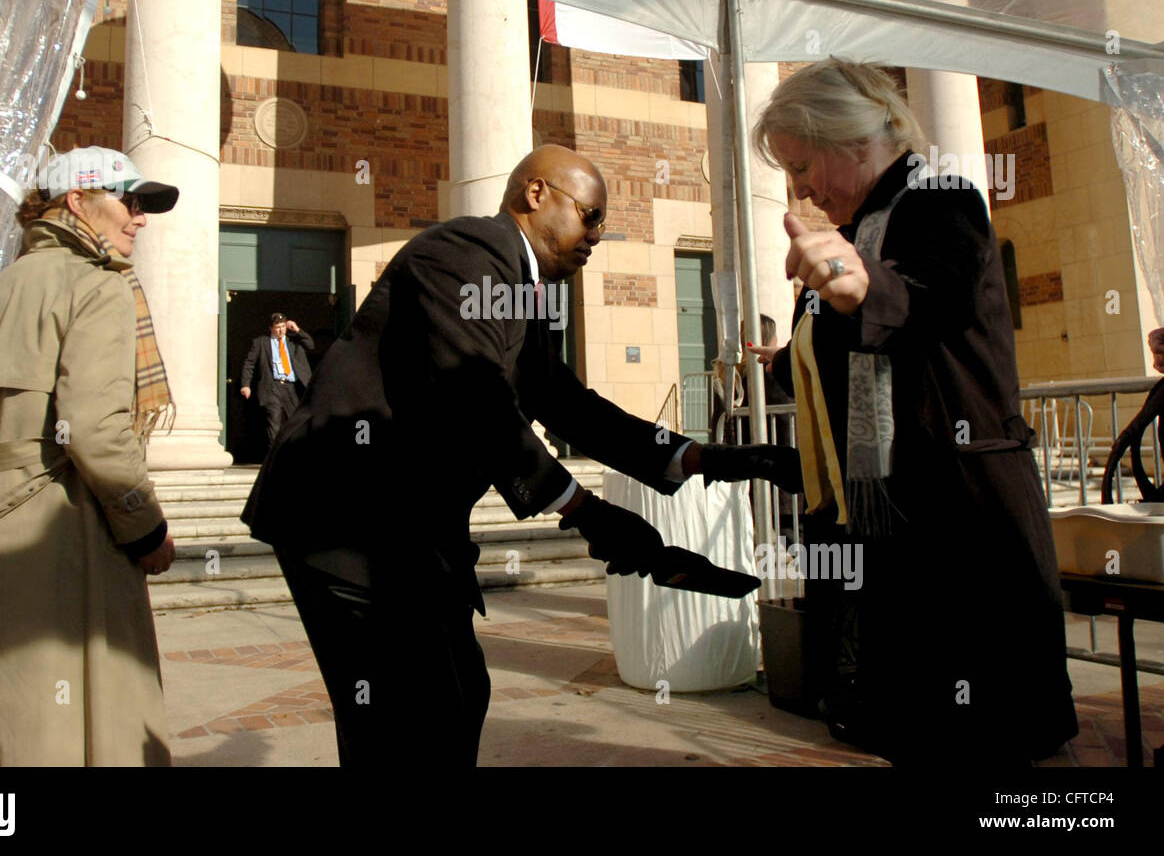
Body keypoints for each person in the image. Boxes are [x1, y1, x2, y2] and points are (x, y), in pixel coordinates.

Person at [241, 144, 796, 766]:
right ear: (536, 194)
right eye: (591, 216)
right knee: (413, 714)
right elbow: (474, 396)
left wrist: (709, 459)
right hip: (345, 517)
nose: (597, 236)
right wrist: (586, 511)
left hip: (410, 528)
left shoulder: (520, 288)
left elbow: (562, 401)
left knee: (453, 698)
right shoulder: (466, 254)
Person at [746, 58, 1077, 766]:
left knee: (994, 735)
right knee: (914, 726)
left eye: (803, 165)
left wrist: (863, 288)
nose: (798, 188)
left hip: (963, 515)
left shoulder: (941, 201)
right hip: (889, 517)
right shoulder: (853, 227)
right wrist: (786, 361)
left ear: (852, 141)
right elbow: (842, 348)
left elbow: (929, 301)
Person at [0, 146, 180, 766]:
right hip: (61, 535)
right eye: (130, 199)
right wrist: (146, 528)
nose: (140, 217)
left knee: (2, 722)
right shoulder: (96, 284)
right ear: (79, 201)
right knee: (86, 725)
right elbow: (96, 430)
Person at [240, 313, 315, 448]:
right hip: (272, 387)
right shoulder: (260, 343)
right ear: (271, 328)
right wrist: (246, 385)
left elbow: (310, 345)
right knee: (274, 424)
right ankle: (274, 458)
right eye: (277, 327)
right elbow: (249, 364)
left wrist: (297, 329)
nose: (281, 330)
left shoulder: (293, 341)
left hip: (291, 388)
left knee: (295, 423)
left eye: (283, 327)